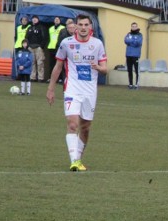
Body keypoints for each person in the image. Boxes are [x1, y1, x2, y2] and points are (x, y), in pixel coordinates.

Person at [46, 14, 107, 172]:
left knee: (85, 127)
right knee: (72, 124)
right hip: (72, 88)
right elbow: (58, 66)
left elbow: (105, 68)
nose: (83, 28)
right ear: (76, 27)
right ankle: (74, 160)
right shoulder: (67, 43)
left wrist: (98, 67)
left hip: (89, 91)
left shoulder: (97, 44)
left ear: (90, 27)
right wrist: (51, 88)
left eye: (86, 25)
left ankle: (78, 158)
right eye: (80, 24)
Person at [26, 15, 46, 82]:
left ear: (38, 19)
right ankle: (32, 77)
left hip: (38, 47)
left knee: (40, 63)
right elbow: (26, 38)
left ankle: (40, 78)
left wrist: (41, 46)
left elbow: (44, 37)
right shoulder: (29, 28)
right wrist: (28, 46)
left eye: (35, 19)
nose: (34, 20)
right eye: (33, 19)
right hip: (31, 47)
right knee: (32, 63)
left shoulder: (41, 27)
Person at [124, 21, 142, 90]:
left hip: (136, 55)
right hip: (128, 55)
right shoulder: (129, 34)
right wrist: (133, 41)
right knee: (129, 70)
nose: (134, 28)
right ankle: (130, 84)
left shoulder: (140, 35)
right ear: (131, 27)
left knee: (137, 71)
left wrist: (131, 41)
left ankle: (137, 84)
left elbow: (138, 43)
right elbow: (126, 41)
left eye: (135, 26)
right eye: (132, 26)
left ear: (137, 27)